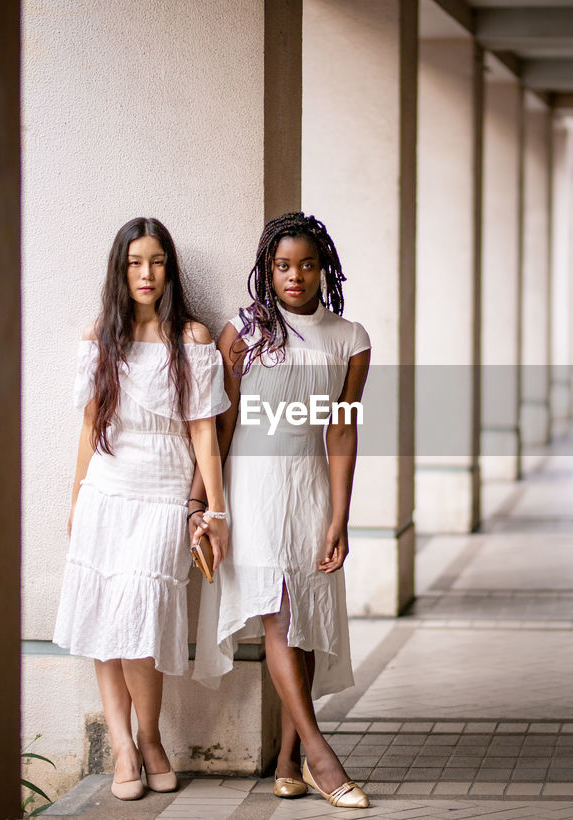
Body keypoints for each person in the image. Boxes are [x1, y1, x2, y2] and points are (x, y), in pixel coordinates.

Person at [191, 212, 371, 809]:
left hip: (312, 487)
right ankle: (322, 755)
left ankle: (289, 759)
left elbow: (342, 434)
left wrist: (340, 516)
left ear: (326, 269)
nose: (296, 276)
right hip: (255, 489)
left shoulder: (350, 339)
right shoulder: (242, 332)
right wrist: (204, 503)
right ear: (268, 269)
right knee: (278, 611)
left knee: (309, 621)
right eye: (283, 265)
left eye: (308, 264)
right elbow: (219, 427)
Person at [53, 217, 230, 801]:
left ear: (169, 268)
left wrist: (216, 511)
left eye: (155, 261)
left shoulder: (192, 340)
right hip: (106, 491)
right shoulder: (98, 338)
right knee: (107, 618)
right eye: (134, 262)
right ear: (119, 269)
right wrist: (78, 497)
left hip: (163, 497)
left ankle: (150, 736)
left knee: (141, 624)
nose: (145, 273)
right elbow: (88, 425)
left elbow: (204, 434)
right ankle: (125, 745)